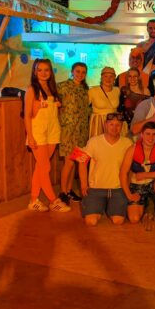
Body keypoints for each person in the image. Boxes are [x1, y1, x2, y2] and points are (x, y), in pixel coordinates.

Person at [24, 58, 71, 212]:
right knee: (45, 167)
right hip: (38, 131)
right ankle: (53, 200)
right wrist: (30, 136)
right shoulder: (32, 89)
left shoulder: (52, 89)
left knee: (41, 167)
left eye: (46, 70)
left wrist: (57, 105)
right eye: (40, 70)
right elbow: (27, 115)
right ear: (34, 72)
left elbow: (53, 111)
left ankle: (33, 200)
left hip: (52, 130)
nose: (43, 73)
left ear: (50, 72)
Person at [78, 113, 133, 226]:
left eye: (118, 125)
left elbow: (131, 167)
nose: (114, 128)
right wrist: (84, 184)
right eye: (111, 124)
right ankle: (100, 206)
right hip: (96, 188)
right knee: (91, 221)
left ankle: (108, 207)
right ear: (105, 125)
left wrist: (128, 186)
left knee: (118, 221)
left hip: (118, 188)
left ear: (122, 126)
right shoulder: (94, 141)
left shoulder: (127, 143)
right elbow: (82, 162)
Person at [119, 122, 155, 224]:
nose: (151, 138)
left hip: (153, 184)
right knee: (134, 219)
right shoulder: (132, 149)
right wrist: (129, 195)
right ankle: (146, 204)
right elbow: (123, 173)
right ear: (142, 135)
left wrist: (145, 175)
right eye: (148, 134)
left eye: (154, 134)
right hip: (137, 185)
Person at [57, 62, 90, 205]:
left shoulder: (84, 89)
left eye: (83, 72)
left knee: (76, 162)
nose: (80, 74)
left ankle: (69, 190)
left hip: (81, 131)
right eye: (78, 71)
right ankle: (63, 192)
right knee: (69, 162)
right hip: (68, 130)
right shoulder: (62, 86)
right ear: (72, 71)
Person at [88, 67, 127, 137]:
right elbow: (84, 108)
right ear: (101, 77)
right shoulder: (92, 91)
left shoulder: (117, 90)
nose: (108, 79)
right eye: (105, 76)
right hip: (98, 123)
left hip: (114, 123)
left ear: (114, 78)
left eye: (111, 76)